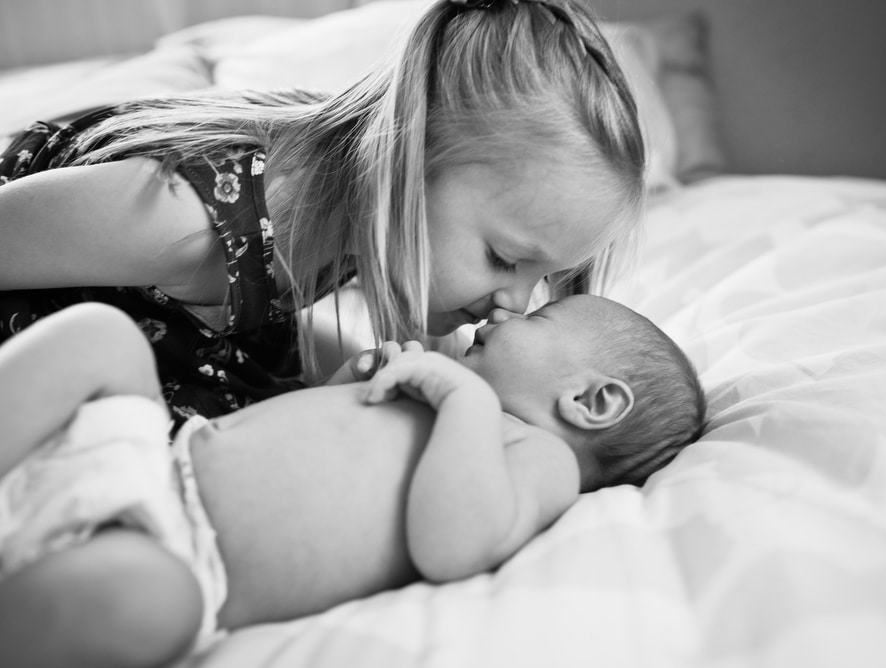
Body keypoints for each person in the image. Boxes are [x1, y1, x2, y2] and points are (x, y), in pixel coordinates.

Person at [0, 0, 646, 433]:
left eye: (542, 279)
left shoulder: (349, 220)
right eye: (504, 259)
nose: (515, 303)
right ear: (403, 165)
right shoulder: (179, 219)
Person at [0, 296, 705, 668]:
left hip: (182, 554)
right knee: (103, 335)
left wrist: (465, 400)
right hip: (156, 460)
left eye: (539, 317)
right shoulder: (451, 401)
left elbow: (455, 545)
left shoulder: (539, 457)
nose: (503, 312)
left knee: (151, 604)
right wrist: (346, 390)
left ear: (593, 402)